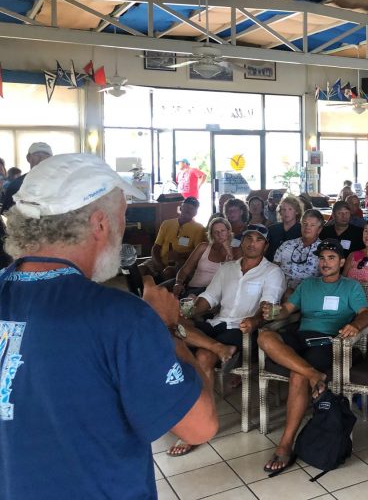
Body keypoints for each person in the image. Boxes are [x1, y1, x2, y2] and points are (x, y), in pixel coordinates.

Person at [0, 153, 218, 497]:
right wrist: (166, 327)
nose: (123, 228)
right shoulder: (121, 317)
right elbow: (200, 426)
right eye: (123, 216)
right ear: (100, 224)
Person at [169, 222, 286, 456]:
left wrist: (255, 320)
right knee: (174, 327)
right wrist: (192, 309)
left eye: (258, 240)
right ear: (241, 241)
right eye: (248, 238)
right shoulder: (226, 268)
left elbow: (268, 305)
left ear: (266, 245)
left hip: (242, 330)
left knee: (203, 355)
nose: (252, 243)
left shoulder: (272, 271)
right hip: (217, 324)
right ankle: (219, 348)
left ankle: (198, 424)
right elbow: (209, 298)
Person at [258, 239, 368, 474]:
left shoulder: (351, 286)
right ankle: (313, 374)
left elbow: (365, 314)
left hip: (328, 341)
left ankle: (285, 444)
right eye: (322, 258)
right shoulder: (308, 285)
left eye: (331, 258)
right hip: (301, 336)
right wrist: (273, 311)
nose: (325, 262)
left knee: (297, 375)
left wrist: (356, 327)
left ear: (341, 262)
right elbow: (287, 310)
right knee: (265, 337)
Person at [139, 197, 206, 283]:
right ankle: (141, 294)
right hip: (159, 260)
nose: (188, 210)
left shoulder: (199, 229)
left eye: (192, 208)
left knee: (168, 272)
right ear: (181, 208)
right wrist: (158, 264)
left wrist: (179, 255)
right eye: (186, 207)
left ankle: (164, 294)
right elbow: (156, 247)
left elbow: (198, 253)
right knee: (140, 269)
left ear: (196, 213)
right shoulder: (166, 223)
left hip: (180, 263)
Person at [172, 216, 234, 297]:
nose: (219, 234)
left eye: (222, 231)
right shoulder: (203, 247)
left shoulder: (235, 251)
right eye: (216, 232)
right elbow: (185, 270)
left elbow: (234, 275)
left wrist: (227, 249)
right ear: (211, 234)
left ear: (228, 232)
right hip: (194, 289)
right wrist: (178, 283)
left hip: (215, 293)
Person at [271, 209, 324, 294]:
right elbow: (273, 269)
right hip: (279, 290)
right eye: (305, 224)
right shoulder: (286, 245)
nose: (307, 228)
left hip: (308, 294)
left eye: (312, 225)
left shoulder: (324, 250)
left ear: (319, 229)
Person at [0, 142, 52, 214]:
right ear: (28, 158)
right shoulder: (17, 184)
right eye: (37, 155)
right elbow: (6, 213)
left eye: (46, 155)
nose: (41, 159)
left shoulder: (59, 183)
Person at [266, 195, 303, 262]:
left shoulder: (302, 230)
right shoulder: (272, 229)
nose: (286, 212)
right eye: (284, 209)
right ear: (280, 212)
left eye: (290, 209)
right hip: (271, 266)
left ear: (297, 212)